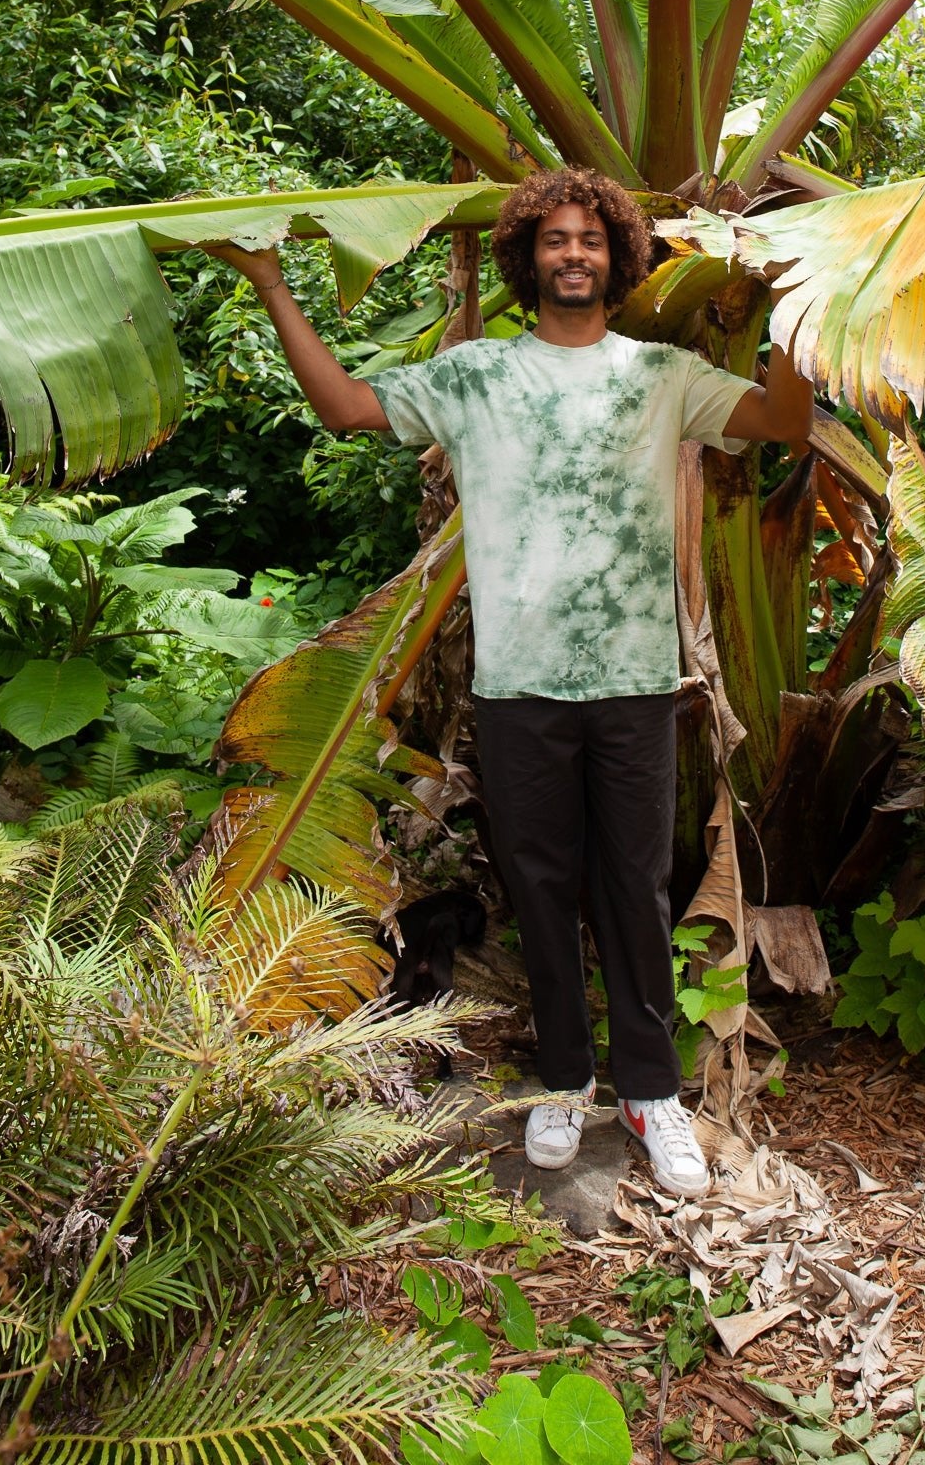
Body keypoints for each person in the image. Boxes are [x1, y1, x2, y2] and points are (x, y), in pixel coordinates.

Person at [207, 167, 812, 1198]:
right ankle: (567, 1079)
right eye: (554, 239)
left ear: (615, 256)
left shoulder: (660, 375)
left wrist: (804, 303)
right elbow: (347, 406)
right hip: (519, 685)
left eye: (589, 239)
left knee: (633, 888)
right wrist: (271, 283)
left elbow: (783, 424)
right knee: (540, 889)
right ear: (527, 255)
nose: (572, 252)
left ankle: (651, 1091)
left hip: (632, 683)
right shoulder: (476, 374)